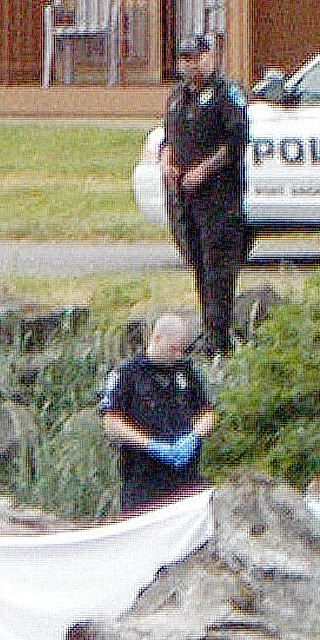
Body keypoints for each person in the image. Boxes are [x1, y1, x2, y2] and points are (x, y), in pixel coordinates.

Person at [155, 30, 252, 357]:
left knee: (218, 268)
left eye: (196, 58)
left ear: (210, 57)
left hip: (219, 198)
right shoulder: (179, 96)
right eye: (185, 59)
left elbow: (235, 143)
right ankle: (209, 332)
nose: (191, 66)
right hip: (185, 198)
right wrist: (167, 160)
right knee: (196, 261)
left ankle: (220, 339)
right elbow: (167, 137)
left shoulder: (226, 94)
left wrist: (203, 171)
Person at [97, 311, 215, 514]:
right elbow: (111, 421)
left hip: (185, 478)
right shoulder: (127, 374)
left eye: (182, 351)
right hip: (143, 480)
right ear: (157, 338)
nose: (177, 355)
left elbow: (208, 413)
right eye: (173, 349)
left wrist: (195, 435)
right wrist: (151, 445)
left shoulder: (186, 371)